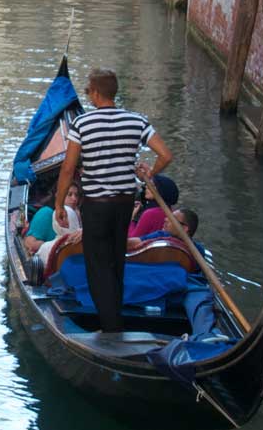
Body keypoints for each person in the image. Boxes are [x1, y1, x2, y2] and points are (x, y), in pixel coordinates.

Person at [54, 68, 175, 333]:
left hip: (96, 205)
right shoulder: (136, 121)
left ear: (96, 93)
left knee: (97, 267)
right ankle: (113, 322)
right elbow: (166, 155)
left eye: (89, 91)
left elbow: (67, 168)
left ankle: (112, 329)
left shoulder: (82, 124)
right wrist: (150, 173)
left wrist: (59, 203)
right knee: (115, 262)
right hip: (123, 204)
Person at [129, 174, 181, 241]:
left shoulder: (150, 214)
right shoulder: (170, 212)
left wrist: (131, 218)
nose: (147, 187)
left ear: (161, 191)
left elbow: (132, 241)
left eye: (152, 185)